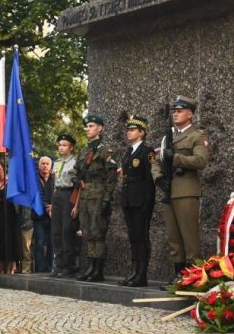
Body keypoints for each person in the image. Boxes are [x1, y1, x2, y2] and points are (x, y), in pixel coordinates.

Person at [152, 95, 210, 282]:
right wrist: (158, 177)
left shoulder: (197, 135)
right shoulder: (168, 137)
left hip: (186, 191)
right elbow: (156, 160)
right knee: (174, 238)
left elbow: (200, 161)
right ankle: (179, 274)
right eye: (174, 111)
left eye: (179, 111)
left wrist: (175, 158)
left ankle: (193, 277)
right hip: (169, 191)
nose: (175, 114)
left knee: (189, 238)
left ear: (190, 114)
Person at [72, 115, 117, 282]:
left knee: (98, 233)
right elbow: (75, 172)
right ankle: (91, 266)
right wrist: (78, 180)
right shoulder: (84, 151)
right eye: (86, 126)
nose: (87, 129)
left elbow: (111, 176)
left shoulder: (105, 150)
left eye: (91, 126)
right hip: (85, 196)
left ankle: (98, 269)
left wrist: (106, 199)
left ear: (100, 128)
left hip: (98, 197)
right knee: (88, 232)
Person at [119, 115, 156, 287]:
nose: (129, 132)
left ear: (141, 133)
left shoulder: (146, 152)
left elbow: (150, 179)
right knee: (133, 236)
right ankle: (133, 270)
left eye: (132, 130)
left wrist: (148, 202)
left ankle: (141, 273)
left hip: (141, 200)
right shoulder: (129, 152)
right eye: (128, 129)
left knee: (141, 236)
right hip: (128, 199)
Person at [50, 134, 79, 277]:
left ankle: (69, 265)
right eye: (60, 145)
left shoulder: (75, 162)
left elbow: (77, 186)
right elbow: (54, 183)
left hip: (69, 194)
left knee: (67, 231)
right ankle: (59, 265)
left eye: (64, 145)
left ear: (71, 148)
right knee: (56, 232)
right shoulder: (56, 162)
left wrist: (76, 205)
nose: (61, 147)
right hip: (57, 196)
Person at [0, 161, 21, 274]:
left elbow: (15, 200)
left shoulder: (10, 183)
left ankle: (10, 268)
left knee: (9, 242)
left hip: (9, 218)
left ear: (4, 169)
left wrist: (1, 201)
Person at [32, 156, 55, 274]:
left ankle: (49, 267)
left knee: (51, 242)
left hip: (53, 215)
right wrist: (47, 206)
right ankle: (40, 268)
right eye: (43, 164)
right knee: (39, 242)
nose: (45, 166)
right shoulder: (34, 179)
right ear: (39, 165)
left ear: (51, 166)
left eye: (47, 164)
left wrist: (53, 206)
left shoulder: (54, 178)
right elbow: (37, 195)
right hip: (39, 215)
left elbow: (57, 194)